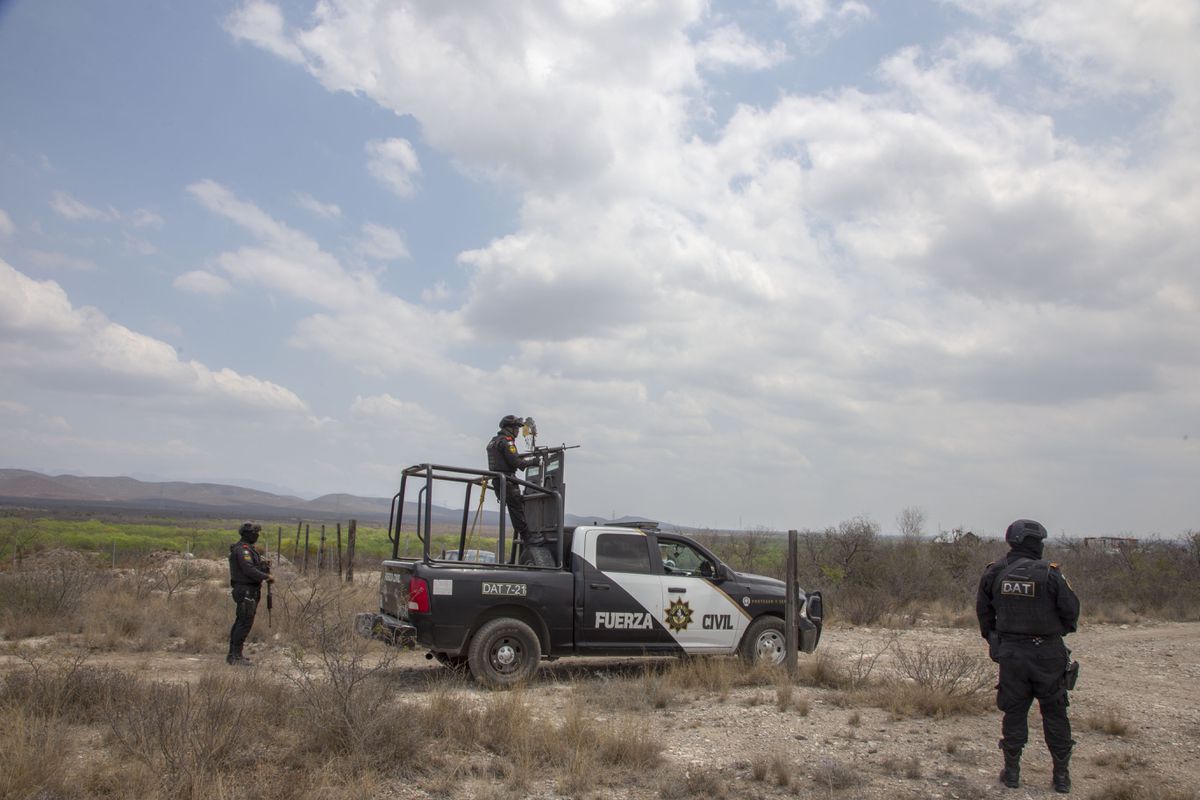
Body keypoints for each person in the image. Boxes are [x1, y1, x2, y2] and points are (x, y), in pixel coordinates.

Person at [977, 519, 1080, 793]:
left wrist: (996, 641)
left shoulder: (994, 572)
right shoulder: (1051, 574)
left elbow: (984, 616)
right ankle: (1061, 777)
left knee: (1013, 712)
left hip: (1012, 655)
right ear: (1035, 543)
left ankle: (1011, 773)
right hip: (1048, 653)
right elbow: (1071, 615)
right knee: (1055, 712)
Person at [486, 415, 552, 566]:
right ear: (510, 428)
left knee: (516, 508)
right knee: (517, 510)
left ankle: (527, 536)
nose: (517, 431)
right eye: (516, 428)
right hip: (507, 481)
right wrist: (534, 461)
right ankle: (528, 538)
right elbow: (516, 462)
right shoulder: (506, 442)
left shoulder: (493, 441)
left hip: (500, 481)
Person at [227, 521, 273, 666]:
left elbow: (252, 567)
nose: (257, 535)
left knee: (243, 621)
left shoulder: (248, 549)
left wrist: (263, 566)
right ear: (248, 534)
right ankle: (235, 656)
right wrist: (266, 577)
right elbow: (248, 570)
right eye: (255, 533)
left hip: (250, 589)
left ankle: (234, 654)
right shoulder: (243, 550)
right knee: (244, 622)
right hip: (245, 590)